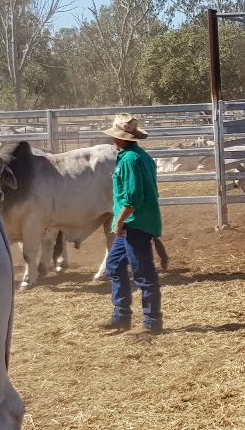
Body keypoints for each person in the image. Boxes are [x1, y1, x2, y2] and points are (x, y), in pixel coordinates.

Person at [97, 113, 163, 335]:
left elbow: (133, 197)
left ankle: (151, 323)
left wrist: (119, 220)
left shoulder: (129, 160)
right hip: (134, 222)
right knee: (114, 266)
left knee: (143, 272)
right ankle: (120, 317)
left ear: (122, 138)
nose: (113, 140)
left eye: (115, 137)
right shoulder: (139, 156)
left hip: (134, 223)